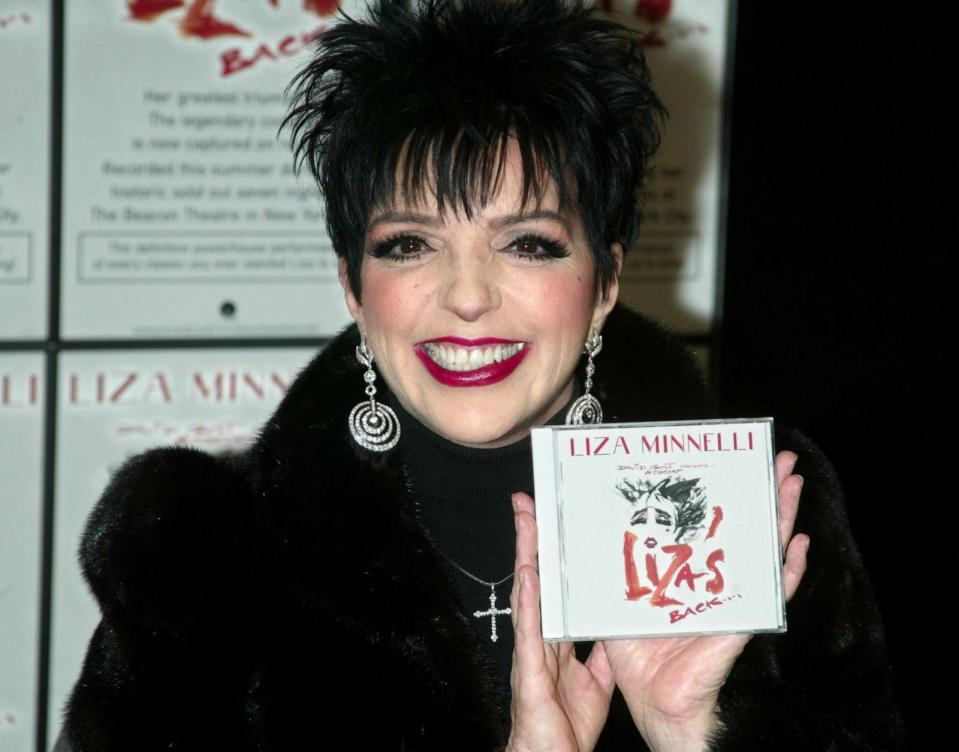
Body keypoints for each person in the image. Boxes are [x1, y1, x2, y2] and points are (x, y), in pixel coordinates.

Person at [57, 1, 904, 750]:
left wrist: (689, 735)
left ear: (605, 282)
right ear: (353, 285)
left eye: (526, 243)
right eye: (410, 245)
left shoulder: (760, 515)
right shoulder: (200, 551)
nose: (466, 297)